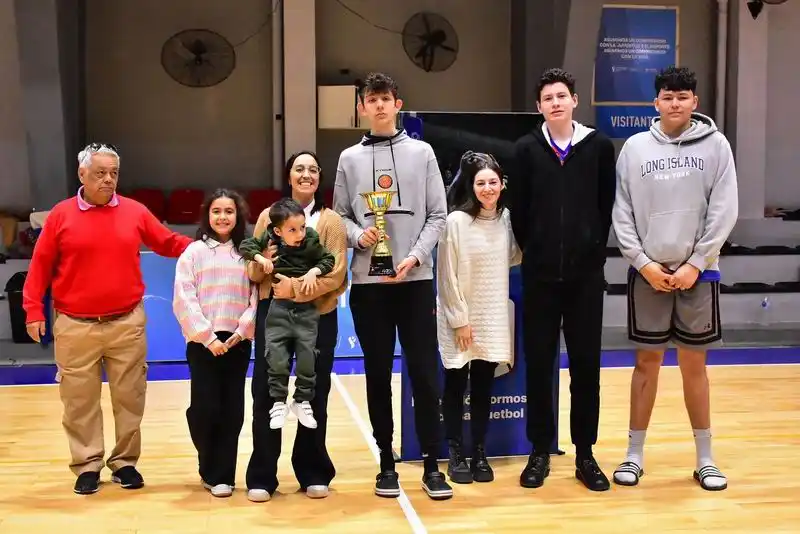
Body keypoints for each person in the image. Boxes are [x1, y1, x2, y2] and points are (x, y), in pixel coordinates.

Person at [22, 142, 193, 495]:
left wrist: (206, 246)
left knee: (130, 397)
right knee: (78, 401)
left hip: (126, 322)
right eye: (100, 173)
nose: (108, 180)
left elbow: (165, 242)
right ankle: (87, 465)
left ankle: (125, 463)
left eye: (114, 173)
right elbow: (39, 266)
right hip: (74, 324)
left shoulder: (134, 211)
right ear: (81, 174)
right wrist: (33, 310)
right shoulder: (60, 215)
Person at [611, 66, 738, 491]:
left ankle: (705, 459)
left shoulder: (717, 146)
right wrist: (643, 262)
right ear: (656, 101)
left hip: (698, 275)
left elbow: (724, 209)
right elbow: (622, 212)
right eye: (668, 96)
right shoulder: (634, 148)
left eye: (682, 96)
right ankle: (633, 455)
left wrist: (696, 263)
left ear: (694, 102)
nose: (675, 103)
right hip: (647, 273)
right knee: (646, 365)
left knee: (693, 368)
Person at [333, 71, 451, 500]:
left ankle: (434, 465)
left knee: (423, 373)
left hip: (416, 282)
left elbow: (438, 216)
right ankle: (386, 462)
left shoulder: (423, 153)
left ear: (398, 104)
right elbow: (339, 215)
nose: (379, 106)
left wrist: (415, 257)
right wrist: (355, 234)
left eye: (386, 98)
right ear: (362, 107)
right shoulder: (348, 159)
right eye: (371, 100)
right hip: (370, 284)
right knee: (377, 374)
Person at [508, 68, 617, 491]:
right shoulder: (524, 150)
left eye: (561, 95)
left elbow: (605, 207)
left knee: (587, 368)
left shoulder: (599, 147)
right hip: (539, 279)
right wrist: (535, 250)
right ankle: (539, 451)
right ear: (539, 107)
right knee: (539, 366)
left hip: (586, 280)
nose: (555, 102)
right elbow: (519, 211)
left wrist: (589, 251)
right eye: (547, 98)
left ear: (574, 101)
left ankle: (585, 453)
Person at [244, 151, 348, 502]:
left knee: (314, 393)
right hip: (273, 314)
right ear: (289, 176)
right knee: (267, 392)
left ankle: (313, 470)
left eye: (313, 170)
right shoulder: (267, 217)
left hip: (319, 317)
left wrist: (299, 290)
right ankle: (262, 475)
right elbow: (252, 270)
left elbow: (336, 274)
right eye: (299, 169)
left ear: (320, 177)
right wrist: (266, 267)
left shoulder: (331, 221)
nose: (307, 175)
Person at [436, 151, 521, 485]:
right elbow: (446, 276)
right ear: (471, 187)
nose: (488, 188)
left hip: (492, 315)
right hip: (462, 317)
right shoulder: (456, 222)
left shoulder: (507, 220)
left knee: (484, 386)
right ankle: (455, 451)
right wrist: (460, 319)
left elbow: (513, 256)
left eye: (493, 182)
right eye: (481, 182)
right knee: (456, 384)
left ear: (501, 186)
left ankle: (480, 452)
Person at [172, 189, 257, 498]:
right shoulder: (193, 253)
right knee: (206, 409)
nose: (223, 217)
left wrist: (241, 332)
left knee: (232, 411)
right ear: (207, 216)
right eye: (217, 211)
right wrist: (208, 337)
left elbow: (256, 297)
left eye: (229, 211)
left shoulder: (248, 253)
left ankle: (222, 475)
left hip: (237, 342)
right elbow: (184, 297)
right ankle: (208, 464)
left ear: (238, 216)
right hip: (203, 343)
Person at [240, 197, 335, 430]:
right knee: (276, 357)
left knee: (307, 357)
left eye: (302, 227)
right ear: (278, 231)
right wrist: (262, 257)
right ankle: (279, 401)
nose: (300, 233)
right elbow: (245, 247)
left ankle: (302, 400)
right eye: (293, 230)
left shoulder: (311, 239)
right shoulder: (270, 237)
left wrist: (314, 271)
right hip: (278, 309)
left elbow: (329, 260)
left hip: (307, 310)